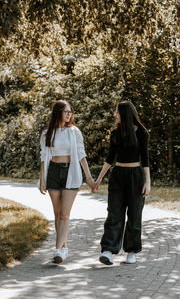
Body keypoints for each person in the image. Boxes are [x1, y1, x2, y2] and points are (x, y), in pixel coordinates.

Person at [39, 100, 96, 264]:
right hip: (53, 172)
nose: (69, 114)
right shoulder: (47, 134)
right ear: (59, 113)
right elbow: (44, 158)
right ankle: (63, 248)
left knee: (64, 214)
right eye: (66, 111)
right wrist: (42, 180)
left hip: (70, 171)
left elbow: (81, 154)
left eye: (70, 112)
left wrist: (89, 178)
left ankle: (57, 250)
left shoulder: (74, 132)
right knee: (57, 214)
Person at [95, 100, 150, 265]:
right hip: (118, 175)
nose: (114, 115)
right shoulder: (115, 133)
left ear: (124, 114)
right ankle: (108, 251)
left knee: (134, 215)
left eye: (117, 112)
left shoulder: (141, 132)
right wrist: (98, 179)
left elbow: (145, 158)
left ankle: (131, 251)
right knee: (114, 214)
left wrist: (148, 181)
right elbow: (110, 159)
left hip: (135, 176)